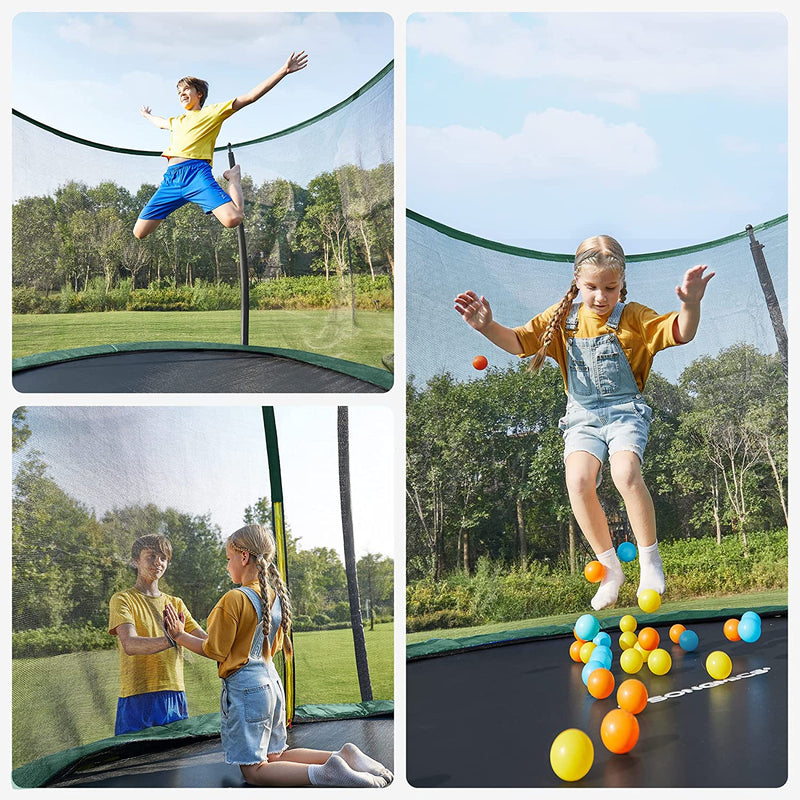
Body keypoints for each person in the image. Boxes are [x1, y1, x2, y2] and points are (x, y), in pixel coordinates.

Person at [454, 235, 714, 610]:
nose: (600, 296)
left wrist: (690, 304)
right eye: (591, 287)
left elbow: (681, 332)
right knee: (577, 480)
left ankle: (650, 561)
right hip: (582, 415)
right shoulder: (562, 320)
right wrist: (486, 326)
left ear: (621, 284)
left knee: (625, 473)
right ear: (577, 282)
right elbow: (517, 342)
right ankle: (610, 570)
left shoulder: (634, 317)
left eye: (610, 287)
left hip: (625, 410)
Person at [164, 524, 392, 788]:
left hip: (248, 692)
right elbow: (262, 646)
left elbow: (215, 650)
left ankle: (325, 773)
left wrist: (180, 636)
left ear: (243, 557)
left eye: (228, 559)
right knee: (276, 755)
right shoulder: (274, 599)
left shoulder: (233, 599)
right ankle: (342, 756)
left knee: (255, 771)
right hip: (272, 684)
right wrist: (187, 632)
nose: (227, 566)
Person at [133, 51, 308, 240]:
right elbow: (160, 123)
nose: (181, 93)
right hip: (171, 180)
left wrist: (283, 71)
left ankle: (233, 178)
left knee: (233, 219)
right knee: (139, 232)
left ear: (199, 94)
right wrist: (147, 115)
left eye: (186, 89)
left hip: (196, 174)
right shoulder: (177, 121)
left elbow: (249, 97)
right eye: (178, 92)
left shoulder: (212, 113)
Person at [108, 534, 208, 735]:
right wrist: (173, 638)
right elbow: (130, 644)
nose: (157, 562)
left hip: (173, 695)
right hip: (136, 697)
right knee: (134, 763)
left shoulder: (176, 603)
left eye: (163, 557)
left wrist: (237, 637)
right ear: (136, 561)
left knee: (176, 760)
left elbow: (207, 642)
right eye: (151, 556)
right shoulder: (123, 599)